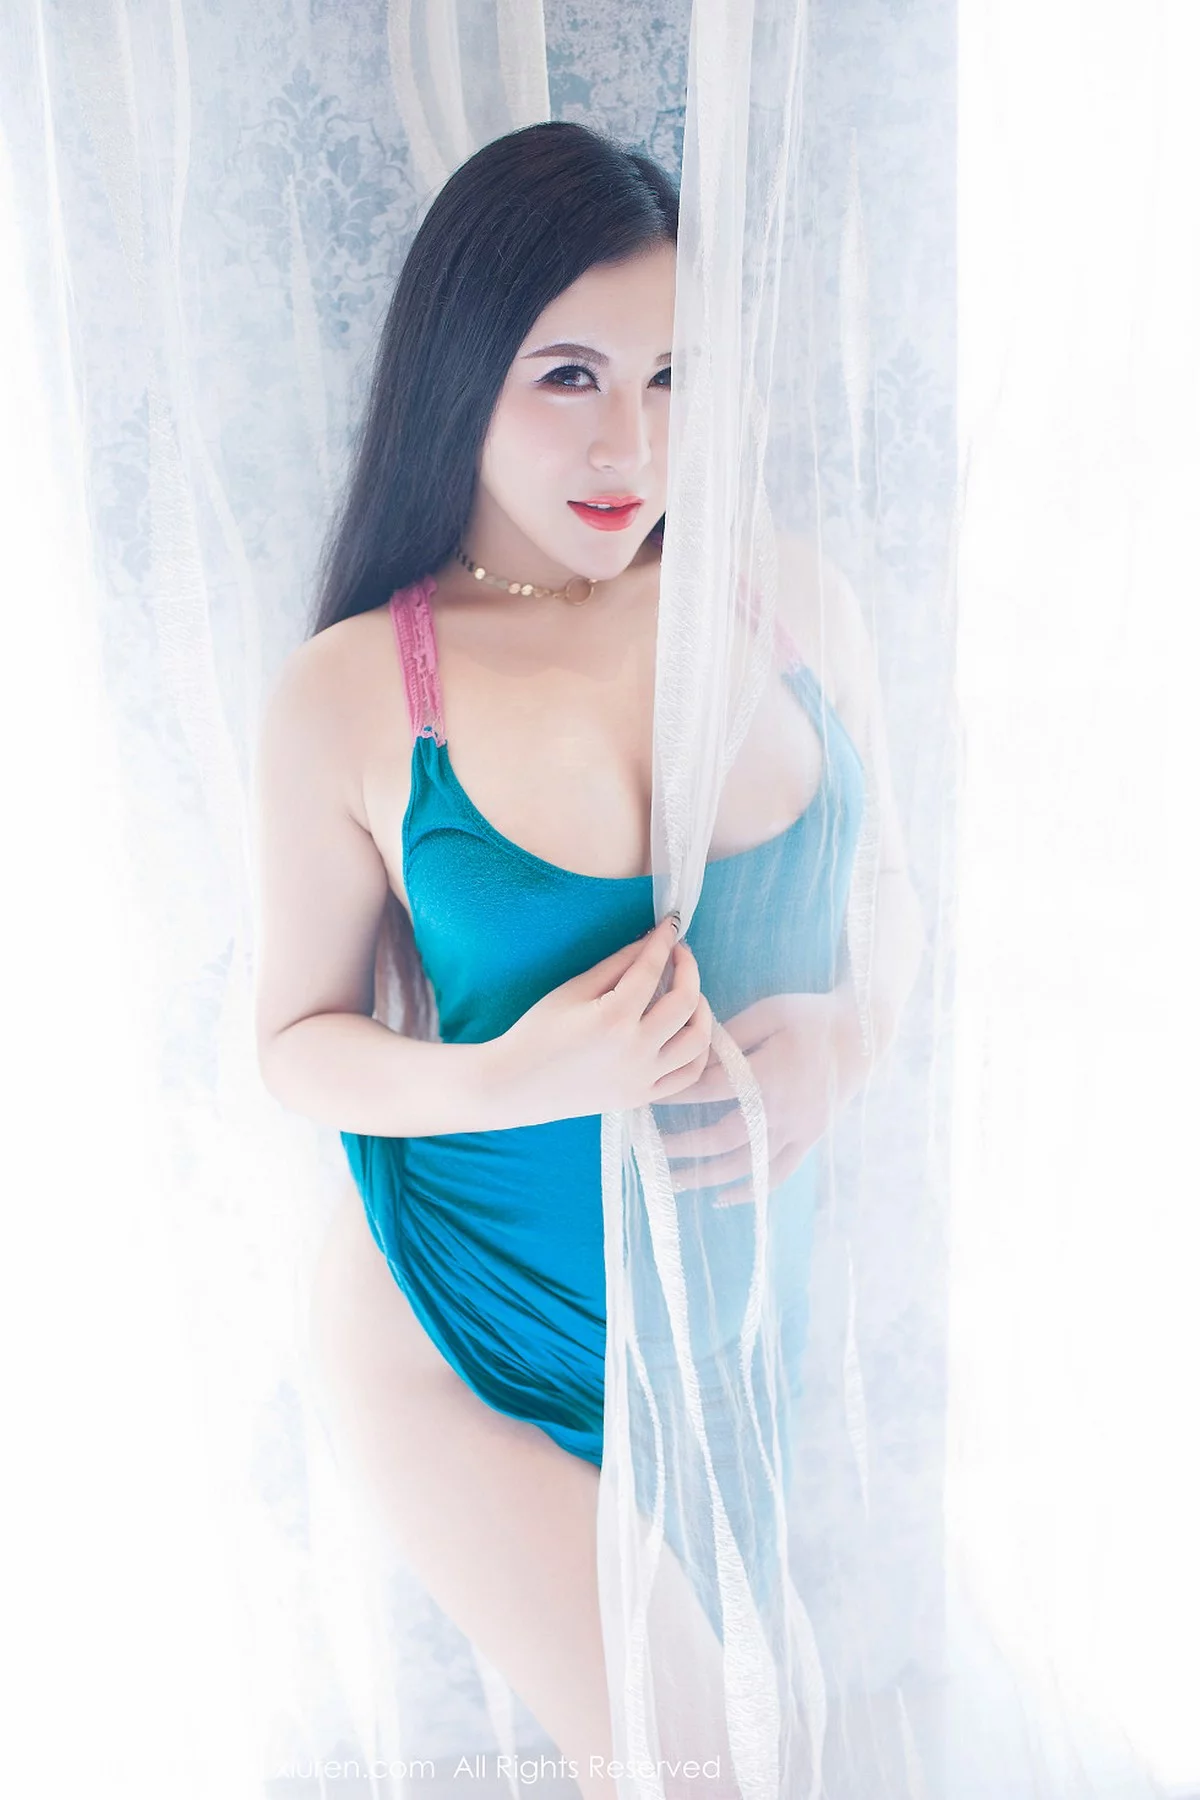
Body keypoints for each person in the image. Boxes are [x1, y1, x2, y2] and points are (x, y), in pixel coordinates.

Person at [253, 120, 903, 1797]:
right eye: (569, 377)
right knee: (698, 1770)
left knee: (750, 1754)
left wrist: (848, 1037)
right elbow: (293, 1041)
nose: (632, 440)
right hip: (460, 1331)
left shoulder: (787, 606)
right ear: (461, 372)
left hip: (717, 1332)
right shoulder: (358, 687)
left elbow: (902, 910)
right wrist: (519, 1072)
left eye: (673, 376)